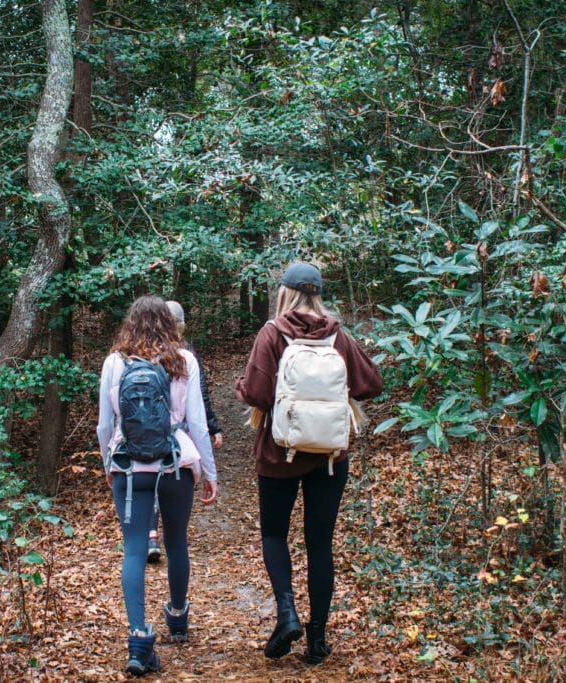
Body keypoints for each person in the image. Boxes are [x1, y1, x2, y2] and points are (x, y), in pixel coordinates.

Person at [235, 262, 383, 665]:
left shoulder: (273, 333)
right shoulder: (337, 334)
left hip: (279, 453)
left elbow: (258, 393)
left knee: (274, 535)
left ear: (284, 292)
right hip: (329, 457)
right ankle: (317, 640)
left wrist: (243, 386)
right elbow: (371, 383)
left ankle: (287, 615)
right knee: (320, 545)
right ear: (318, 294)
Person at [97, 295, 218, 676]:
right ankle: (178, 617)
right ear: (169, 323)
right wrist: (209, 472)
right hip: (175, 461)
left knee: (134, 550)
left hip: (129, 466)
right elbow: (197, 422)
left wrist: (108, 463)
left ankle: (138, 637)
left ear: (129, 324)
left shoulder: (115, 363)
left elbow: (104, 425)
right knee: (177, 541)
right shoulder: (184, 361)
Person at [146, 300, 223, 563]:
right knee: (171, 483)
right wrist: (212, 431)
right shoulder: (186, 357)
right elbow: (200, 402)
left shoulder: (131, 357)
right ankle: (178, 603)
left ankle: (151, 534)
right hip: (179, 439)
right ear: (180, 325)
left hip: (140, 442)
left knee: (150, 480)